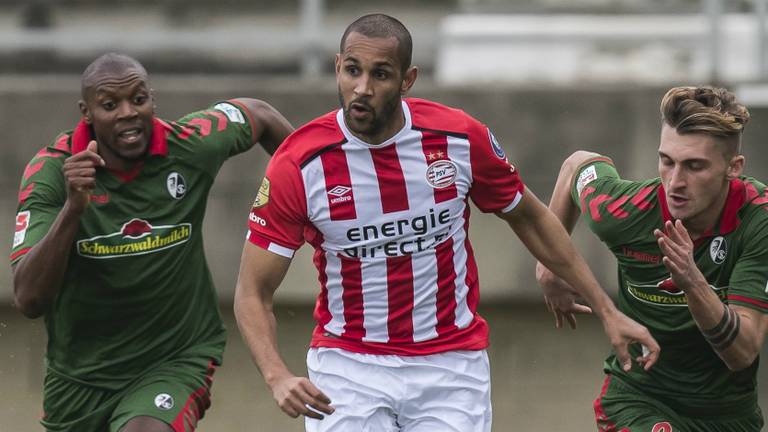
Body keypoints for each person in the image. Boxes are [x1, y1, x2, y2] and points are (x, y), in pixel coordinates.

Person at [233, 13, 658, 432]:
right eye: (352, 70)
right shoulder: (299, 163)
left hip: (450, 365)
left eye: (380, 74)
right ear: (338, 66)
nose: (362, 88)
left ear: (407, 79)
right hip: (349, 365)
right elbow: (253, 292)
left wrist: (606, 310)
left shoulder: (458, 138)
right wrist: (277, 375)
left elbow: (528, 217)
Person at [10, 53, 294, 432]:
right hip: (80, 378)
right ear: (87, 112)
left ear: (152, 100)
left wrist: (317, 197)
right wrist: (73, 209)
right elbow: (29, 299)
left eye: (138, 99)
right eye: (110, 104)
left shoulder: (191, 145)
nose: (128, 112)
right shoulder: (51, 172)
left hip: (176, 358)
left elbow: (258, 114)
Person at [537, 86, 768, 431]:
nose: (675, 182)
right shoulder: (621, 210)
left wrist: (692, 282)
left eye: (694, 166)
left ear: (733, 168)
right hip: (638, 399)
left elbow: (742, 353)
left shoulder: (757, 222)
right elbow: (577, 165)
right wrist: (548, 265)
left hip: (728, 414)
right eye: (667, 161)